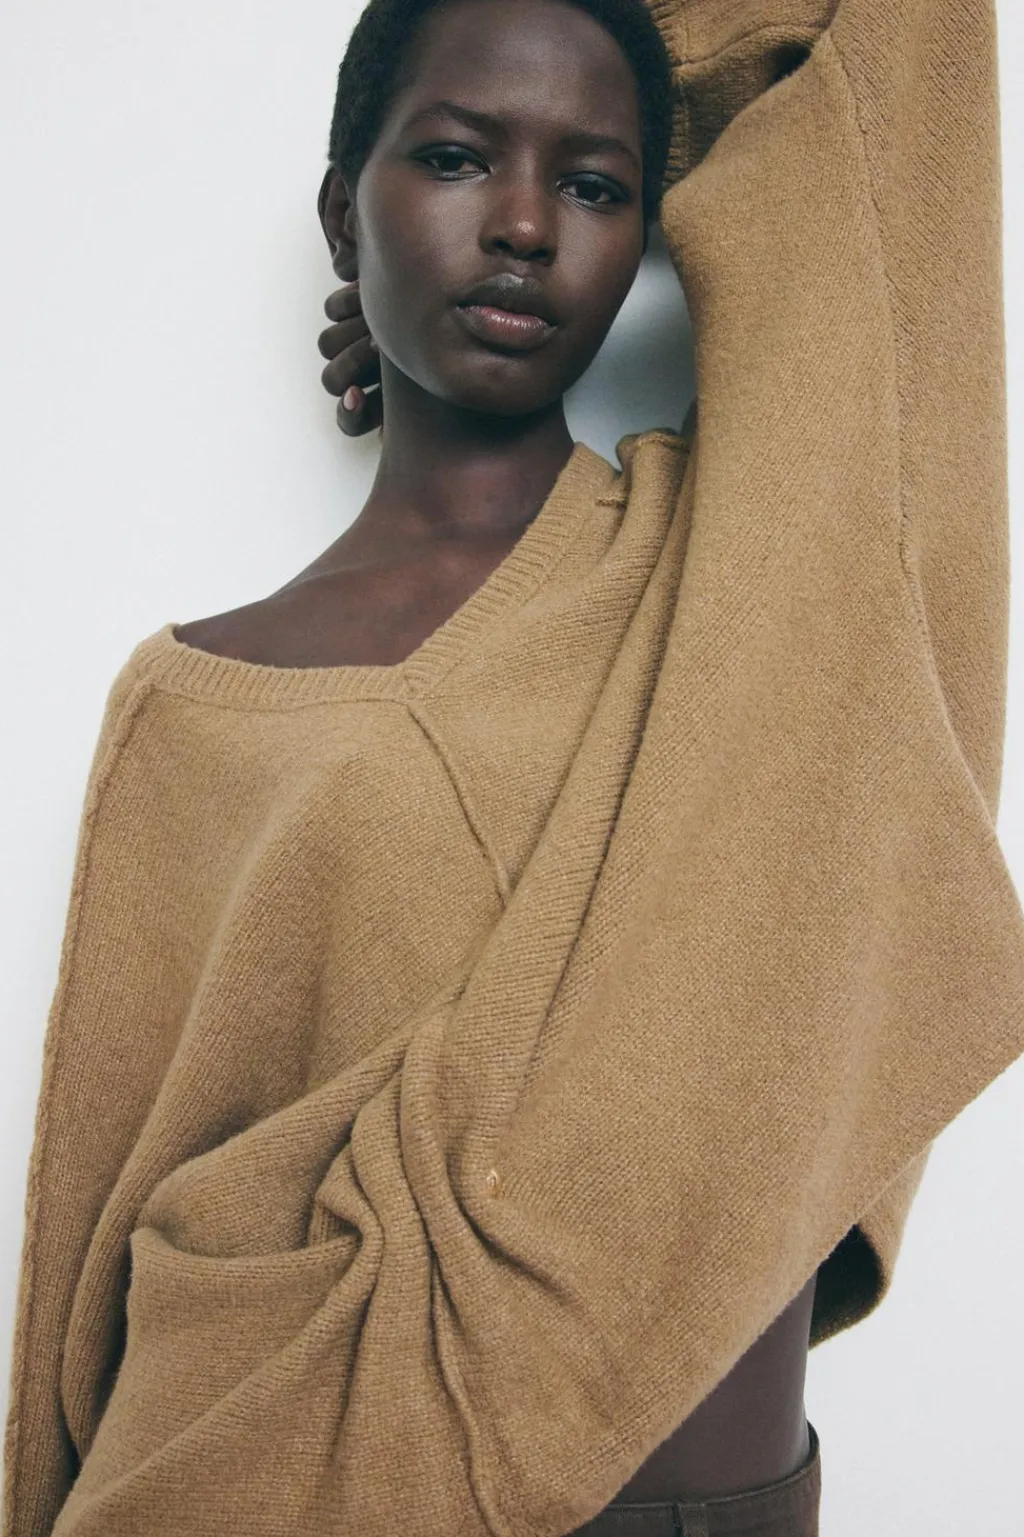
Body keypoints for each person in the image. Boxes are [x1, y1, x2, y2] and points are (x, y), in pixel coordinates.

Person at [4, 1, 1021, 1535]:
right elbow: (88, 1242)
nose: (529, 225)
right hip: (270, 1478)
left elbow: (897, 61)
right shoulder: (192, 706)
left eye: (596, 184)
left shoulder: (751, 574)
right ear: (344, 207)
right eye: (456, 159)